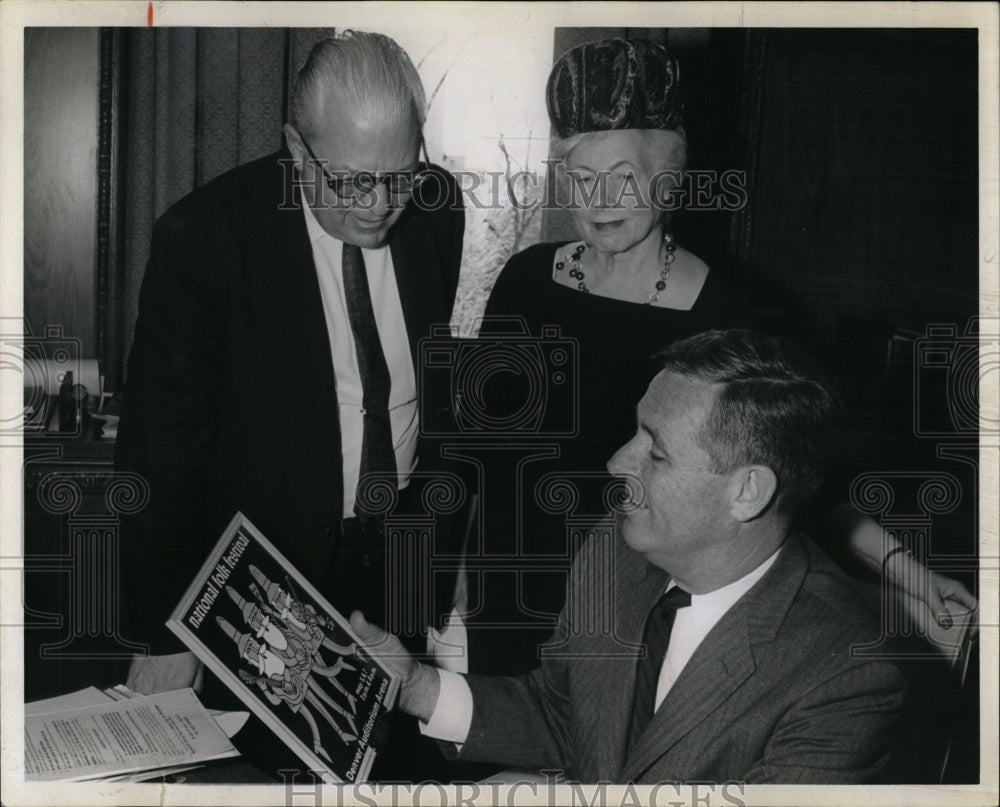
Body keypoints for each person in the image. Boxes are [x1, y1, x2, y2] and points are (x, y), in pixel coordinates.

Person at [471, 37, 975, 675]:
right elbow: (472, 451)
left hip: (630, 605)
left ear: (668, 174)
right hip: (501, 594)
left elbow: (787, 482)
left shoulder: (724, 314)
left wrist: (905, 572)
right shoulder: (523, 280)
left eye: (624, 178)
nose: (599, 202)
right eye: (581, 176)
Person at [114, 31, 467, 775]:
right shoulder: (207, 239)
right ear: (295, 150)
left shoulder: (436, 211)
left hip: (393, 573)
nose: (379, 206)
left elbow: (422, 402)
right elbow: (157, 455)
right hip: (254, 588)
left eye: (399, 176)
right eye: (348, 182)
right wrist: (163, 633)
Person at [352, 329, 910, 783]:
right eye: (633, 434)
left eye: (656, 453)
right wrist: (417, 688)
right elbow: (568, 714)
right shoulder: (614, 550)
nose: (617, 462)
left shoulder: (847, 680)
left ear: (747, 492)